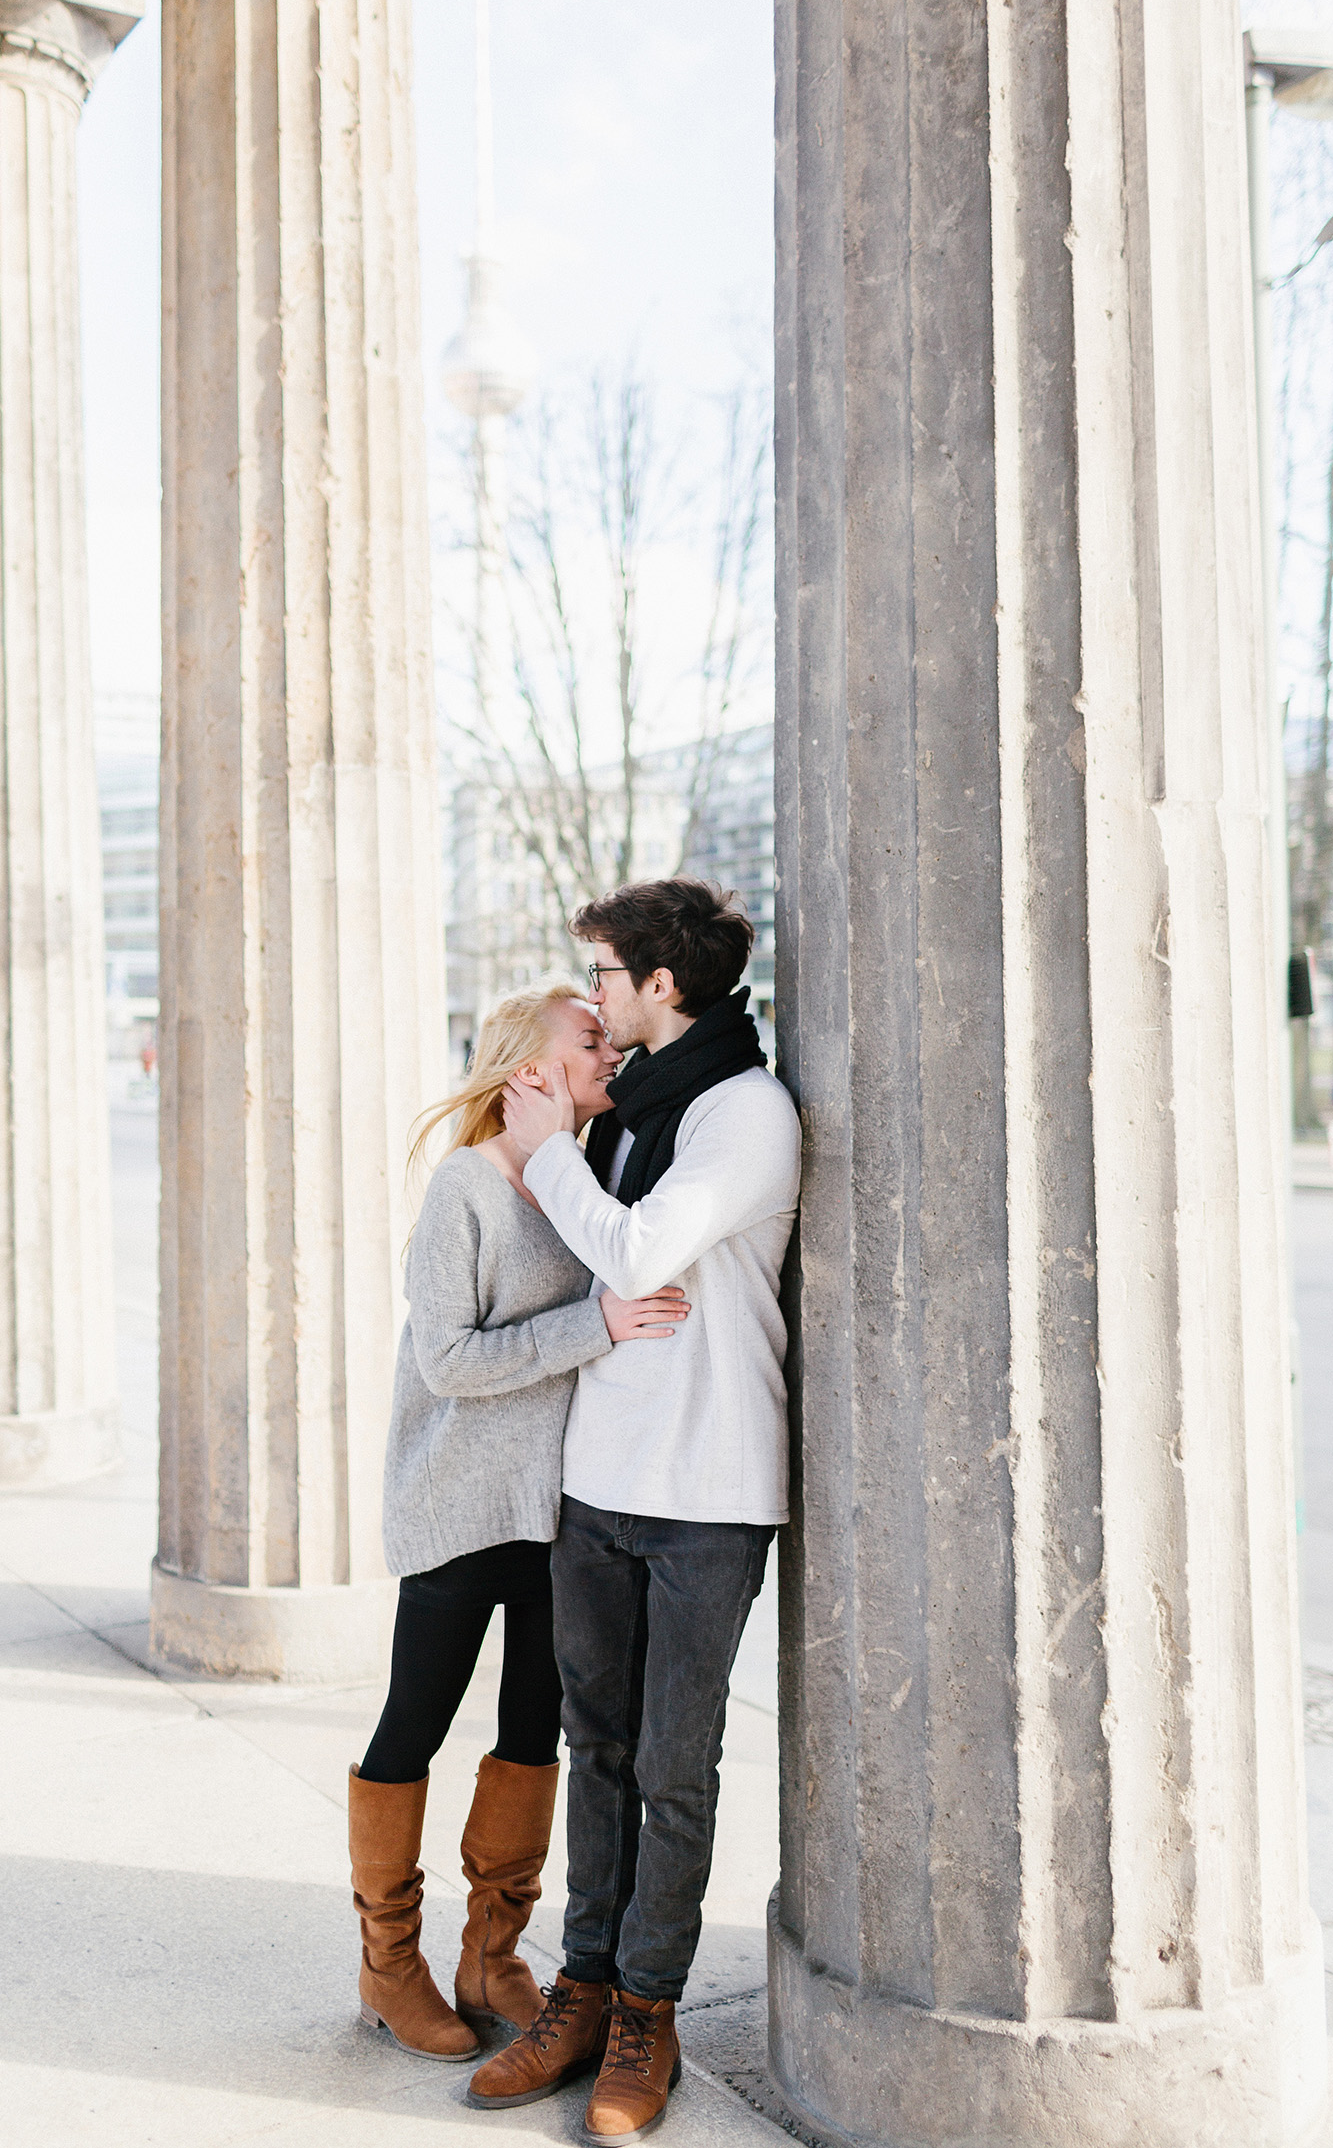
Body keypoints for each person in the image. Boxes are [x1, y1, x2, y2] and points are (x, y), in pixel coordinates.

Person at [466, 880, 801, 2141]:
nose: (595, 995)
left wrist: (548, 1143)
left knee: (673, 1767)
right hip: (598, 1481)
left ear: (664, 985)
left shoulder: (744, 1113)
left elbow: (639, 1252)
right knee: (594, 1750)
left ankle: (647, 2011)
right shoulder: (628, 1110)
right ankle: (584, 1988)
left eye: (605, 973)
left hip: (707, 1490)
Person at [348, 982, 691, 2064]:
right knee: (414, 1727)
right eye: (589, 1040)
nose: (608, 1052)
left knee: (530, 1734)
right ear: (528, 1072)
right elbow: (449, 1361)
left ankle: (490, 1951)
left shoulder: (579, 1178)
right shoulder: (466, 1189)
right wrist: (593, 1326)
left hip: (556, 1521)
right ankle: (387, 1962)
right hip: (458, 1510)